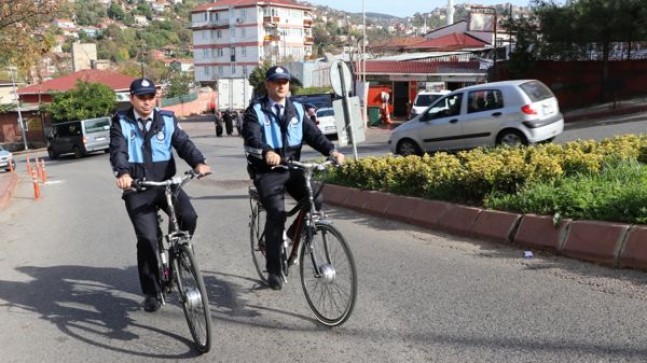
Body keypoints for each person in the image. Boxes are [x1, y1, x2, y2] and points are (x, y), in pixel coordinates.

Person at [109, 77, 211, 312]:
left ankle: (178, 252)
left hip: (166, 184)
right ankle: (152, 291)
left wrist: (199, 163)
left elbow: (183, 144)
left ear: (156, 98)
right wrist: (123, 173)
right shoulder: (121, 121)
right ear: (131, 98)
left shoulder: (167, 119)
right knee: (147, 239)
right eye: (141, 97)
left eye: (150, 97)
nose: (146, 102)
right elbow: (118, 151)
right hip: (137, 188)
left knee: (189, 216)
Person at [242, 66, 345, 290]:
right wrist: (266, 152)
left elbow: (314, 136)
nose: (281, 86)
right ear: (268, 85)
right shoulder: (255, 111)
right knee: (276, 213)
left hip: (292, 167)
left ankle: (289, 235)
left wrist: (331, 151)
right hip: (267, 171)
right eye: (276, 82)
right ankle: (274, 268)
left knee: (315, 200)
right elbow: (252, 137)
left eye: (285, 82)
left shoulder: (297, 110)